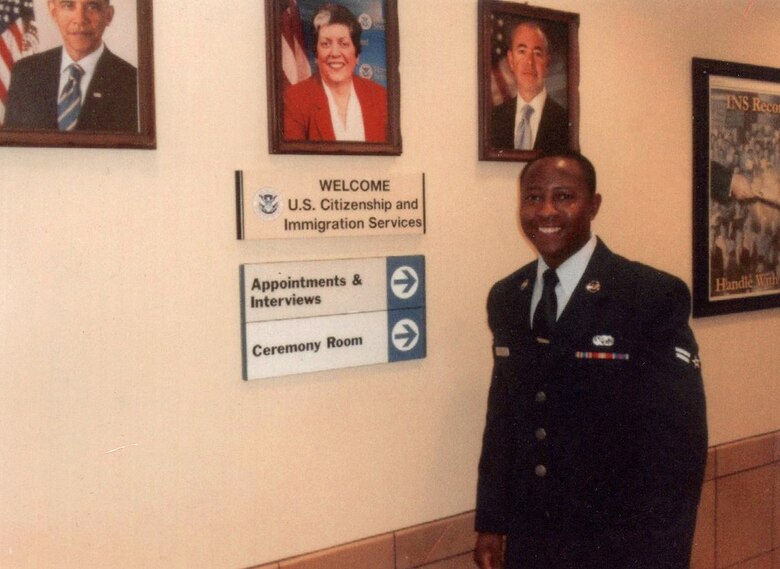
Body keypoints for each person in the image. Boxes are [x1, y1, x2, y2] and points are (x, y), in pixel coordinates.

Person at [474, 151, 708, 569]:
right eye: (532, 197)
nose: (546, 211)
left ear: (593, 205)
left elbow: (679, 452)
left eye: (564, 197)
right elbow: (503, 418)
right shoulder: (507, 296)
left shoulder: (648, 296)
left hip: (620, 547)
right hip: (533, 543)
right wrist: (491, 522)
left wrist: (663, 558)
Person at [3, 0, 137, 132]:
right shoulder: (25, 73)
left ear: (108, 15)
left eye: (92, 6)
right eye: (68, 5)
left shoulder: (133, 82)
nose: (79, 19)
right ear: (53, 11)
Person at [283, 2, 387, 143]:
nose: (335, 53)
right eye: (325, 44)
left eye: (343, 44)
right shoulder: (296, 100)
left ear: (357, 55)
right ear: (316, 55)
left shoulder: (381, 97)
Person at [490, 21, 569, 152]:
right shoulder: (494, 119)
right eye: (522, 51)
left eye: (537, 53)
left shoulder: (565, 122)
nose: (529, 62)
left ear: (547, 64)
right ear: (510, 61)